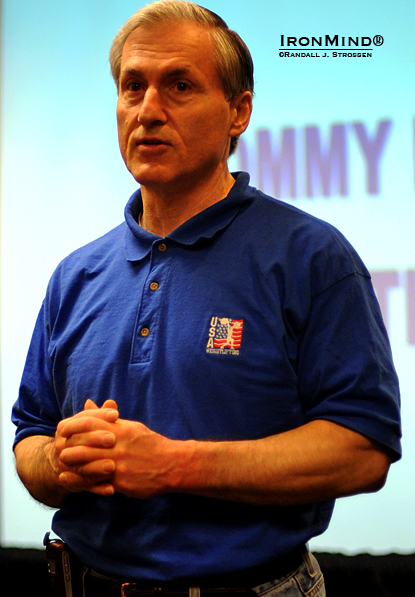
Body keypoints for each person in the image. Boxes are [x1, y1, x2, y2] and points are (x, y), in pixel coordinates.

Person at [12, 2, 401, 596]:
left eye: (180, 86)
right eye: (132, 86)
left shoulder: (311, 256)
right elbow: (30, 438)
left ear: (239, 112)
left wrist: (173, 464)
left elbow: (363, 450)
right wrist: (62, 463)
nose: (147, 111)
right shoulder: (76, 274)